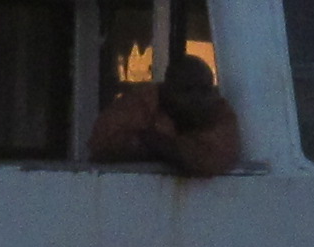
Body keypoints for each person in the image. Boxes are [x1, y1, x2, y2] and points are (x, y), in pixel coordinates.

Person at [86, 52, 244, 178]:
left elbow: (210, 158)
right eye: (187, 90)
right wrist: (159, 147)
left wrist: (157, 144)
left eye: (205, 90)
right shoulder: (140, 103)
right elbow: (101, 145)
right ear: (167, 90)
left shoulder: (219, 111)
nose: (197, 99)